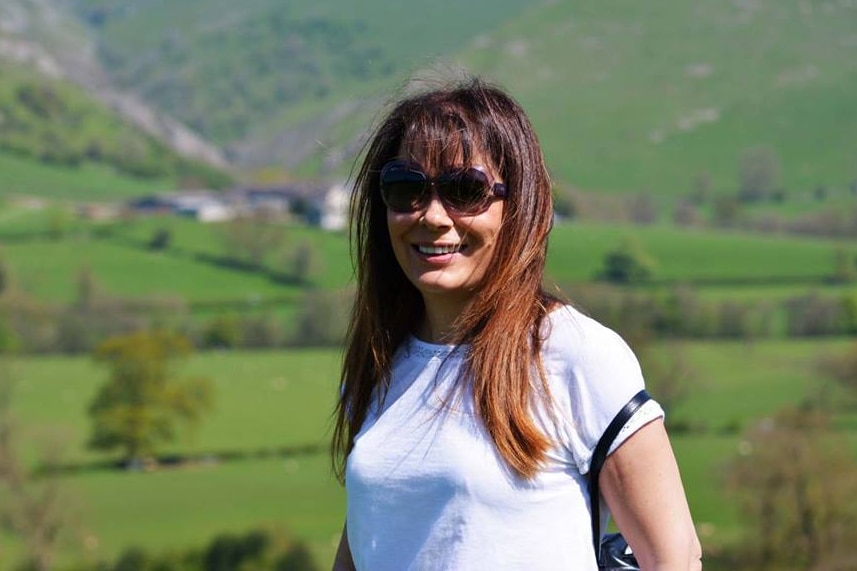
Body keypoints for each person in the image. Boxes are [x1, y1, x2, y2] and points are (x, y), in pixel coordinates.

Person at [331, 76, 702, 570]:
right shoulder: (378, 364)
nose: (434, 216)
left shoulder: (576, 356)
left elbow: (674, 561)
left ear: (519, 207)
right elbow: (368, 543)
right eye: (406, 188)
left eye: (466, 189)